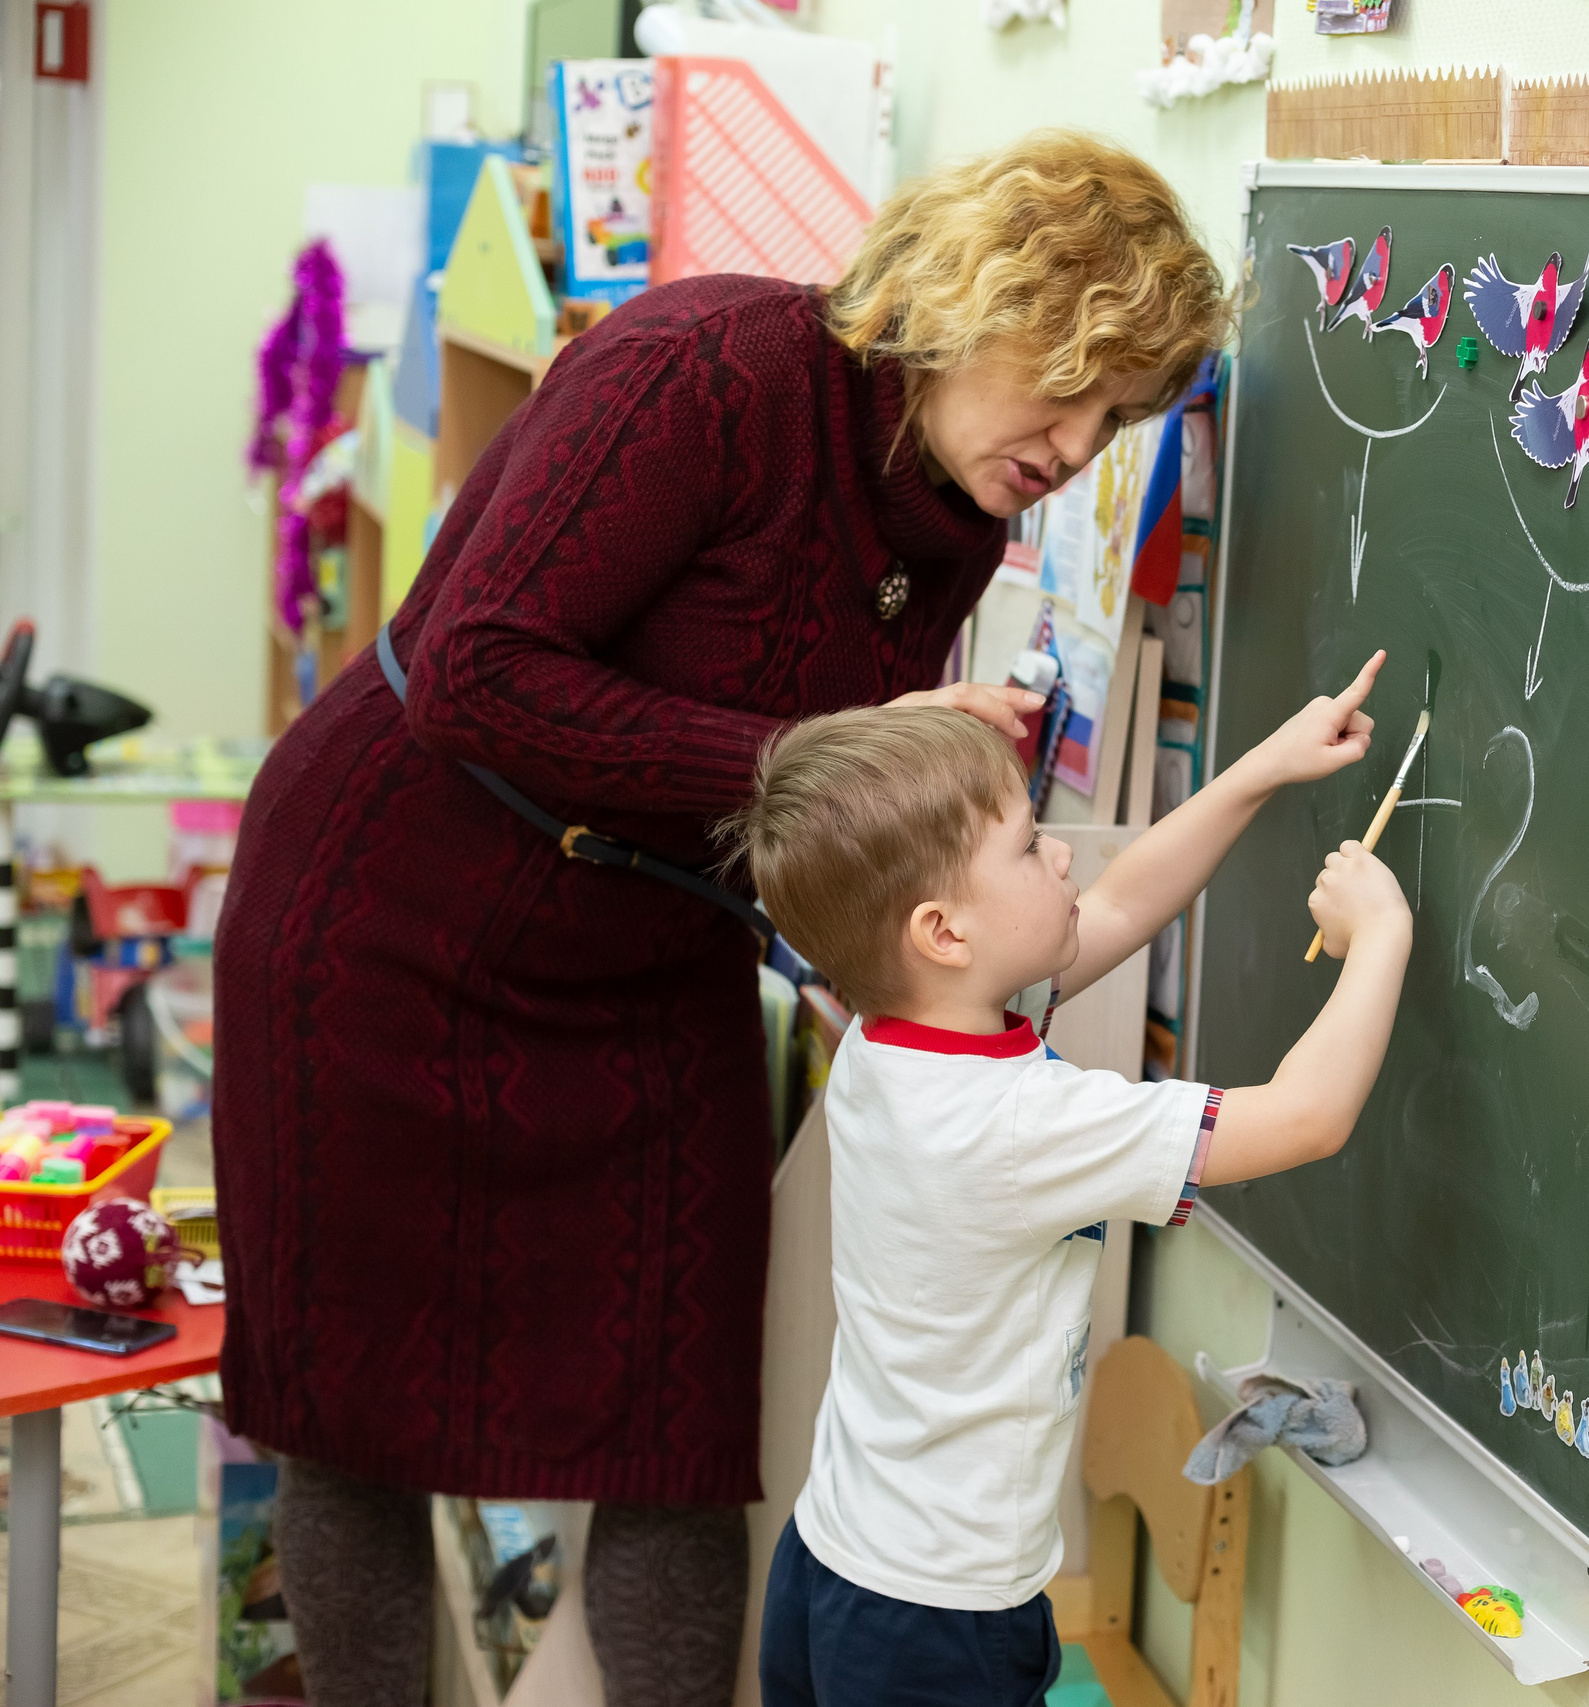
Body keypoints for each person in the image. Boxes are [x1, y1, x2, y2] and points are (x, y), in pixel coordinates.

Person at [211, 130, 1229, 1704]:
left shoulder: (956, 503)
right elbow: (481, 668)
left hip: (643, 956)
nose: (1081, 442)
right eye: (1073, 383)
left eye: (1119, 417)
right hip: (382, 927)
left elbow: (815, 813)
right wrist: (821, 757)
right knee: (357, 1419)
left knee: (674, 1428)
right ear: (982, 292)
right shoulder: (708, 367)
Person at [726, 654, 1413, 1705]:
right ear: (943, 933)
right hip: (939, 1622)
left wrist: (1260, 770)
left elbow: (1121, 907)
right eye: (1027, 845)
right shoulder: (1011, 1125)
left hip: (835, 1563)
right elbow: (1305, 1118)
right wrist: (1381, 938)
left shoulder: (896, 1033)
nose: (1060, 858)